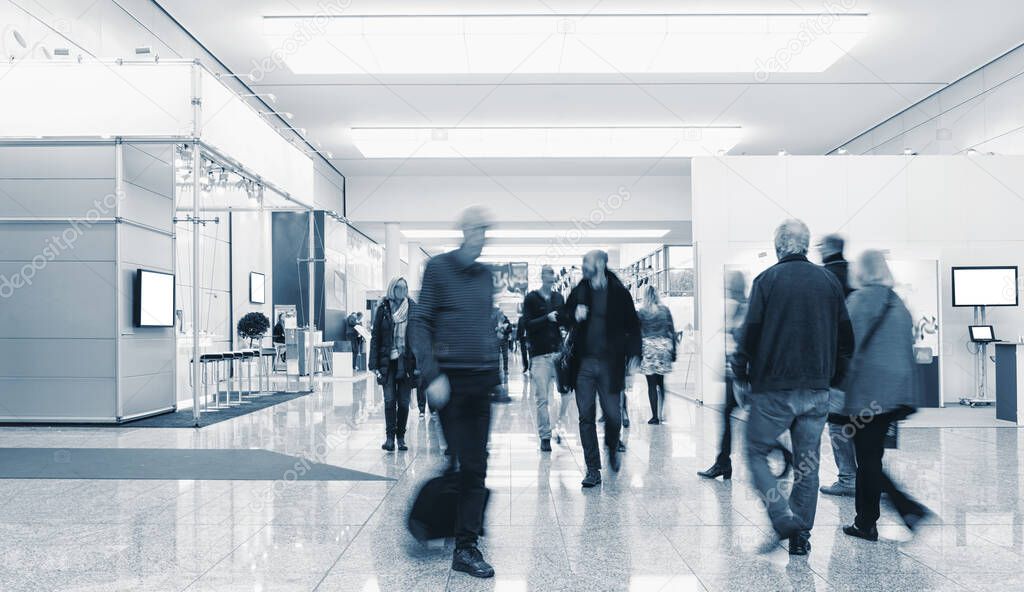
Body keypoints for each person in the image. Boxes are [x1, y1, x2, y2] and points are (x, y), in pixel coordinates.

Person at [732, 219, 854, 556]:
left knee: (756, 452)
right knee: (807, 464)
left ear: (780, 245)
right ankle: (800, 536)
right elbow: (847, 340)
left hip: (774, 388)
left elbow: (749, 334)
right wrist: (837, 381)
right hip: (817, 390)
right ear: (803, 244)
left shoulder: (766, 280)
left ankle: (781, 514)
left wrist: (739, 375)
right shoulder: (829, 282)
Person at [410, 206, 500, 579]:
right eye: (477, 230)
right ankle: (458, 536)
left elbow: (485, 327)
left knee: (472, 462)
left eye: (486, 231)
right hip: (451, 381)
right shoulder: (439, 269)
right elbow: (420, 321)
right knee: (465, 462)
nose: (482, 237)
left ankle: (462, 534)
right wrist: (432, 374)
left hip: (481, 381)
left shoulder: (485, 276)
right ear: (464, 231)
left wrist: (498, 377)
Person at [840, 250, 932, 542]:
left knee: (866, 459)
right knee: (872, 456)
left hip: (868, 393)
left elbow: (845, 346)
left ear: (862, 271)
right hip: (896, 395)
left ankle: (898, 511)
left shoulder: (858, 301)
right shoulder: (898, 302)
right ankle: (870, 519)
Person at [699, 272, 792, 480]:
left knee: (747, 420)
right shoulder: (739, 307)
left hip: (742, 375)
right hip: (736, 372)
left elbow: (745, 342)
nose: (726, 288)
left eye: (729, 284)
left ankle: (781, 455)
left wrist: (740, 373)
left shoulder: (745, 308)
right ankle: (723, 462)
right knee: (729, 416)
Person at [560, 250, 642, 488]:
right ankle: (592, 469)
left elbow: (634, 326)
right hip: (583, 364)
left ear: (600, 263)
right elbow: (564, 316)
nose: (583, 265)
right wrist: (573, 314)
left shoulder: (619, 292)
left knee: (613, 416)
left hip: (610, 364)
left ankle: (611, 446)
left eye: (587, 261)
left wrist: (635, 354)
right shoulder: (580, 290)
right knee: (585, 417)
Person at [819, 233, 858, 498]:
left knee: (837, 422)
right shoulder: (856, 276)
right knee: (863, 423)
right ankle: (866, 476)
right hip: (861, 364)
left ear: (828, 249)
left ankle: (847, 478)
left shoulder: (825, 278)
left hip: (836, 364)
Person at [523, 265, 569, 451]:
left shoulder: (559, 298)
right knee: (542, 398)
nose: (550, 276)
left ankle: (558, 425)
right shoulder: (531, 298)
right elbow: (527, 325)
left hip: (559, 353)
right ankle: (544, 436)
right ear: (542, 276)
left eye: (552, 273)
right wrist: (546, 318)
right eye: (547, 273)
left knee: (566, 393)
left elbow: (565, 319)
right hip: (539, 355)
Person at [369, 277, 417, 452]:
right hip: (387, 362)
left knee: (403, 402)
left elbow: (418, 337)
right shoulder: (383, 308)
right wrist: (373, 363)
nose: (402, 290)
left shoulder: (413, 308)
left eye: (405, 287)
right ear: (392, 288)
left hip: (407, 363)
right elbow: (376, 337)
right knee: (389, 401)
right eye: (399, 287)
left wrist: (420, 363)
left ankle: (401, 437)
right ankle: (389, 438)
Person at [637, 285, 676, 424]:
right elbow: (672, 331)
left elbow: (637, 332)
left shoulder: (641, 312)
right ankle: (661, 412)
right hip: (663, 347)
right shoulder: (665, 310)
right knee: (661, 383)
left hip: (648, 348)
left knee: (651, 385)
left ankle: (655, 416)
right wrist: (674, 351)